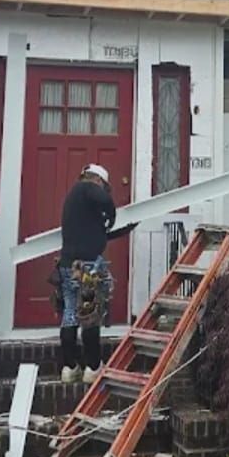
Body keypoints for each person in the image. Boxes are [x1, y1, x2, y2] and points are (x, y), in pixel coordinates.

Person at [51, 163, 135, 383]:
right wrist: (112, 213)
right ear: (97, 180)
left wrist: (124, 227)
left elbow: (97, 233)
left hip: (68, 266)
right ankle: (93, 367)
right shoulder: (86, 188)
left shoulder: (76, 202)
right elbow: (104, 200)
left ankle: (70, 368)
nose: (104, 192)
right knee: (89, 317)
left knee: (70, 315)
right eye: (103, 186)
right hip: (86, 269)